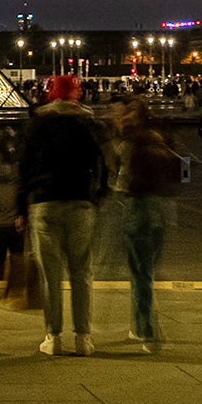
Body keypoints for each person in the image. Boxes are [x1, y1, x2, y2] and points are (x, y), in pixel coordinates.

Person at [18, 74, 107, 358]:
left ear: (50, 95)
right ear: (77, 95)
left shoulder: (37, 125)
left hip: (44, 204)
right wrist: (96, 195)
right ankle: (83, 337)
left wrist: (21, 208)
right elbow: (104, 164)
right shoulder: (89, 124)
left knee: (50, 276)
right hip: (80, 203)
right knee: (82, 273)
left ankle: (53, 337)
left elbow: (25, 169)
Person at [114, 98, 181, 351]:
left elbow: (120, 179)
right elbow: (179, 173)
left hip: (137, 208)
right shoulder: (161, 139)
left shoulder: (131, 143)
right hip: (159, 209)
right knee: (146, 273)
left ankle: (148, 330)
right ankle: (140, 325)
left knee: (139, 274)